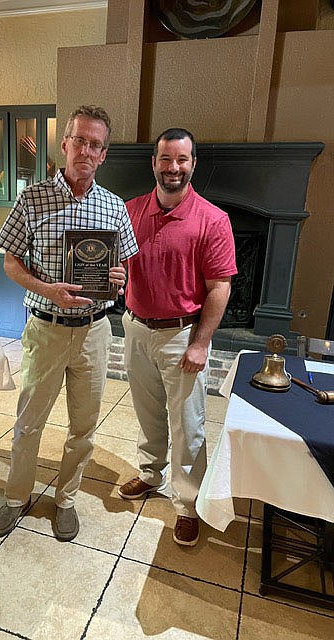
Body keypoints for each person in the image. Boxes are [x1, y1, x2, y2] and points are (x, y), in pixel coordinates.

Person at [0, 105, 138, 542]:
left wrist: (119, 277)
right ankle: (16, 498)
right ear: (65, 144)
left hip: (94, 331)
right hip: (46, 327)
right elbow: (11, 263)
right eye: (80, 141)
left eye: (96, 144)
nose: (86, 150)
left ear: (104, 154)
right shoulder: (32, 198)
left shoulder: (113, 206)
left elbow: (124, 270)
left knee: (83, 427)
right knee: (29, 421)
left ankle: (66, 499)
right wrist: (46, 288)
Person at [118, 128, 237, 546]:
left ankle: (186, 504)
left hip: (182, 335)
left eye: (181, 160)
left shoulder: (213, 220)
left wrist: (201, 342)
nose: (173, 168)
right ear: (154, 163)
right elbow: (119, 267)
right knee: (148, 413)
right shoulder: (128, 212)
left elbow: (219, 287)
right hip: (135, 328)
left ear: (193, 165)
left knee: (188, 425)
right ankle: (151, 475)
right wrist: (113, 283)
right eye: (166, 159)